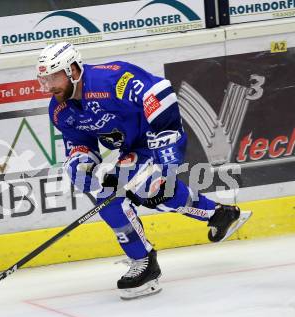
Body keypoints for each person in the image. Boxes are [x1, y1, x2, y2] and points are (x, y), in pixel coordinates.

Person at [36, 42, 250, 300]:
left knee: (149, 189)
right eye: (43, 79)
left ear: (72, 70)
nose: (47, 86)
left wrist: (166, 167)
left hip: (159, 135)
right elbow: (80, 144)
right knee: (112, 197)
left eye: (52, 77)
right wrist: (82, 164)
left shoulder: (110, 79)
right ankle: (217, 215)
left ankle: (146, 265)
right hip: (133, 149)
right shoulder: (60, 110)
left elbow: (160, 92)